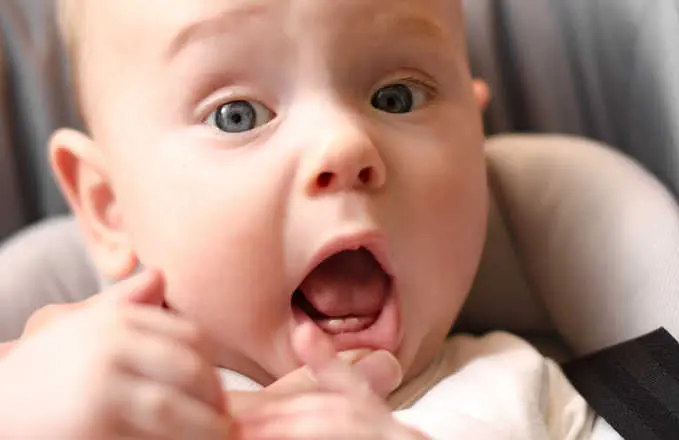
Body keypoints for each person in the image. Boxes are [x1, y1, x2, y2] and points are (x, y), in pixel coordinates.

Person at [0, 0, 595, 438]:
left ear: (475, 137)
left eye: (397, 98)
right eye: (237, 115)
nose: (344, 145)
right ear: (109, 206)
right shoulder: (92, 403)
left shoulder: (524, 392)